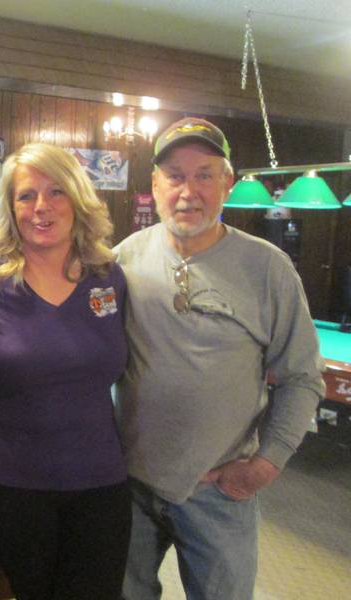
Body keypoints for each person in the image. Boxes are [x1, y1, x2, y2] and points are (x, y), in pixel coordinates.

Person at [114, 117, 326, 600]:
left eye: (205, 175)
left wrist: (267, 463)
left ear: (227, 183)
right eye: (175, 175)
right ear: (155, 184)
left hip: (220, 492)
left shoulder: (268, 267)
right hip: (130, 488)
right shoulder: (123, 259)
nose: (188, 190)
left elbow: (302, 377)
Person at [0, 142, 131, 599]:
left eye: (56, 192)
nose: (42, 207)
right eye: (26, 195)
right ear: (11, 208)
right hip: (8, 486)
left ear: (78, 199)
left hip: (101, 485)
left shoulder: (109, 278)